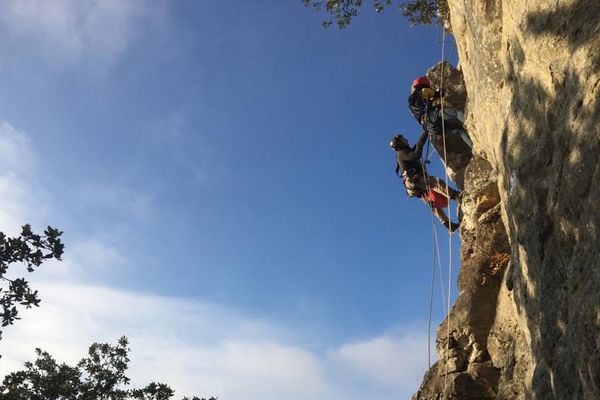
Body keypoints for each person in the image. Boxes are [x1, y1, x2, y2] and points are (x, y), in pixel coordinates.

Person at [390, 132, 461, 232]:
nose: (406, 139)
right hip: (415, 182)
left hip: (413, 186)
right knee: (435, 182)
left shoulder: (403, 152)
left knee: (432, 201)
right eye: (403, 139)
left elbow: (416, 149)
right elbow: (416, 155)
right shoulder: (401, 153)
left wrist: (424, 134)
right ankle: (457, 196)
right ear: (400, 142)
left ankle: (448, 225)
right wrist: (424, 135)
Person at [407, 76, 472, 148]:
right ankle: (471, 123)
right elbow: (439, 94)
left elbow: (423, 109)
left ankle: (473, 147)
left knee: (459, 131)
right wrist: (441, 91)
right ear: (424, 84)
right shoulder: (423, 90)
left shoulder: (411, 104)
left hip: (430, 128)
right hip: (433, 117)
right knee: (457, 112)